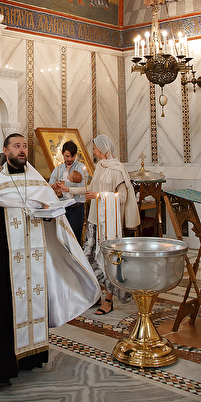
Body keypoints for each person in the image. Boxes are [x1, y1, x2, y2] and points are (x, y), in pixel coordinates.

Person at [0, 133, 100, 389]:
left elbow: (51, 213)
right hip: (1, 255)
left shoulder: (36, 179)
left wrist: (48, 212)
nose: (22, 150)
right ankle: (3, 369)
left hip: (33, 256)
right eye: (17, 146)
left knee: (33, 301)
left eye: (24, 146)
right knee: (2, 307)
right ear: (6, 151)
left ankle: (30, 357)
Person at [59, 134, 139, 316]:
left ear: (103, 149)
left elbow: (122, 197)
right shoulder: (100, 167)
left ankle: (108, 300)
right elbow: (90, 190)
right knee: (88, 257)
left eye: (95, 148)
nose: (94, 152)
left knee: (108, 260)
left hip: (109, 223)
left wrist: (99, 196)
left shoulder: (117, 170)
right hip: (94, 219)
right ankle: (95, 294)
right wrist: (68, 189)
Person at [48, 140, 86, 246]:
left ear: (76, 155)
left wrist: (64, 185)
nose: (69, 159)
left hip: (76, 206)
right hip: (61, 207)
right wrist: (55, 188)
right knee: (61, 238)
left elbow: (83, 186)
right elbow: (50, 187)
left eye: (72, 156)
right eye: (67, 156)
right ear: (62, 153)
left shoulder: (80, 168)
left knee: (75, 239)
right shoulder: (57, 170)